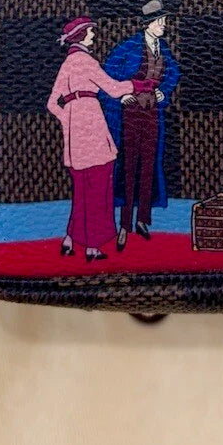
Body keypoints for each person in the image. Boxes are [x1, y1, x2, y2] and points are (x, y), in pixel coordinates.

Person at [46, 16, 135, 262]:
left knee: (81, 190)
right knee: (98, 187)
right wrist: (138, 85)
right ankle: (92, 247)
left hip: (75, 137)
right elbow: (113, 89)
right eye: (90, 32)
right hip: (92, 127)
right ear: (82, 35)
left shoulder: (67, 64)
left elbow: (52, 103)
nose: (93, 36)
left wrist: (68, 120)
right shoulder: (86, 61)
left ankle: (69, 239)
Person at [100, 0, 181, 249]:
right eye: (160, 21)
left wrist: (164, 91)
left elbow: (174, 72)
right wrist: (120, 96)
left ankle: (143, 220)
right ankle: (124, 225)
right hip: (130, 114)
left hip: (152, 113)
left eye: (164, 21)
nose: (164, 25)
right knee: (129, 167)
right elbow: (106, 75)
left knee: (148, 165)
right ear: (149, 23)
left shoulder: (162, 48)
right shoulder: (129, 47)